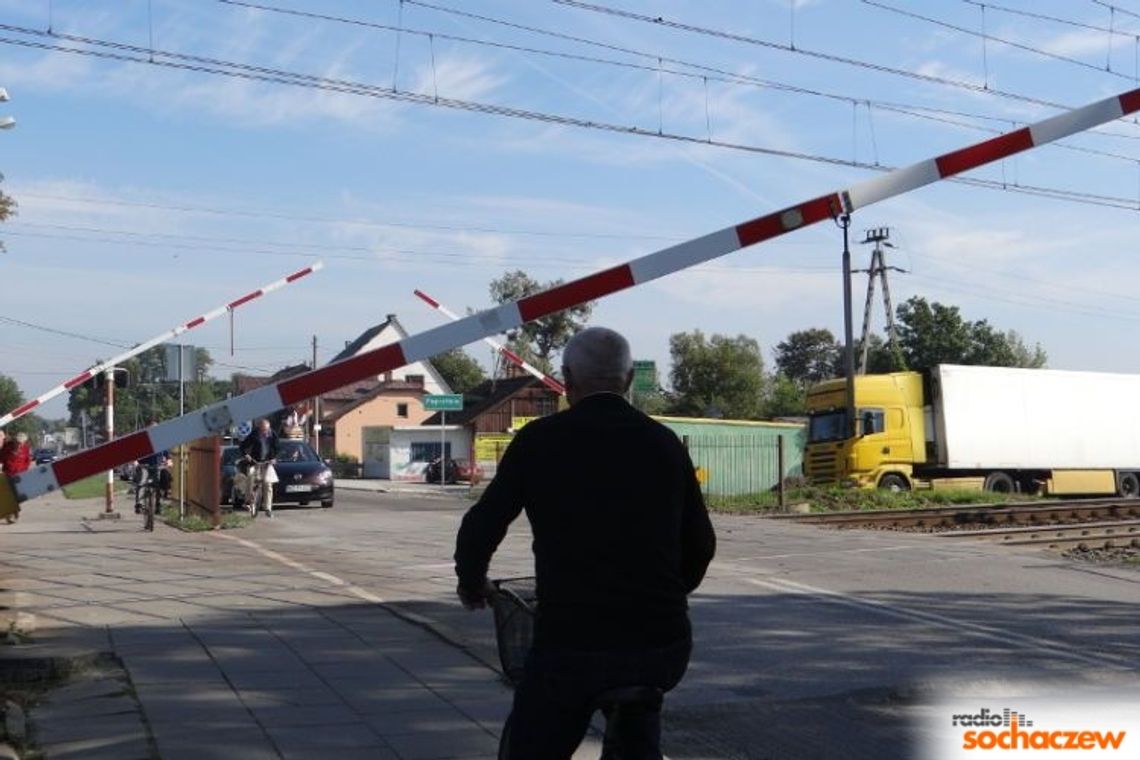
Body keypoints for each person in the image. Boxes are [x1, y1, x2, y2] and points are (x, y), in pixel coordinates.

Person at [454, 327, 716, 759]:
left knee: (532, 743)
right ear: (628, 379)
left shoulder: (539, 441)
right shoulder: (663, 443)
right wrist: (667, 592)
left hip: (572, 639)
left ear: (567, 379)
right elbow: (701, 542)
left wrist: (471, 580)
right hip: (659, 642)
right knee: (638, 717)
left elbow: (483, 524)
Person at [238, 418, 279, 516]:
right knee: (250, 477)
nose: (264, 432)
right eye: (262, 430)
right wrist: (246, 455)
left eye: (266, 430)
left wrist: (274, 458)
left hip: (267, 462)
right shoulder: (254, 434)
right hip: (254, 461)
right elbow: (242, 446)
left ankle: (268, 508)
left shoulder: (273, 435)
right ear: (259, 428)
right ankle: (248, 501)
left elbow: (277, 448)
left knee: (268, 483)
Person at [134, 422, 172, 514]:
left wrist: (169, 462)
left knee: (163, 479)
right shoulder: (142, 441)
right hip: (144, 466)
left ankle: (159, 505)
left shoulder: (162, 442)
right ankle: (139, 504)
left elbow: (168, 457)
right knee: (142, 480)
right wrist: (135, 463)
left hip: (157, 467)